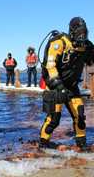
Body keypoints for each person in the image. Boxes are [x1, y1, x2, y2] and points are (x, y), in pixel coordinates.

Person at [39, 17, 94, 149]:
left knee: (80, 116)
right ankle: (43, 144)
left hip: (72, 86)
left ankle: (81, 145)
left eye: (84, 34)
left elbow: (91, 60)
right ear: (72, 31)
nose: (82, 37)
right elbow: (50, 66)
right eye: (79, 34)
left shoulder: (87, 47)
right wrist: (59, 87)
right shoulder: (59, 42)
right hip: (55, 86)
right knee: (54, 119)